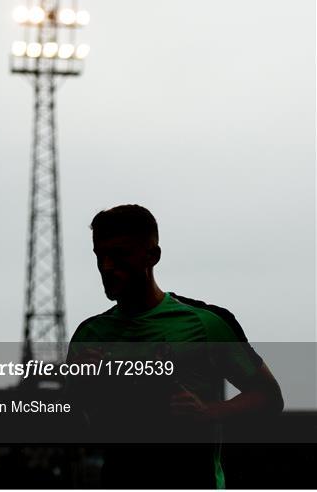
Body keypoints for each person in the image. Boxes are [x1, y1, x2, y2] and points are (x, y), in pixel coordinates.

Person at [67, 204, 283, 489]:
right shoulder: (90, 335)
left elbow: (268, 397)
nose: (107, 267)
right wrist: (79, 389)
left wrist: (207, 412)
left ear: (152, 256)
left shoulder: (206, 323)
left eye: (119, 254)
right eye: (100, 256)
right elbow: (76, 427)